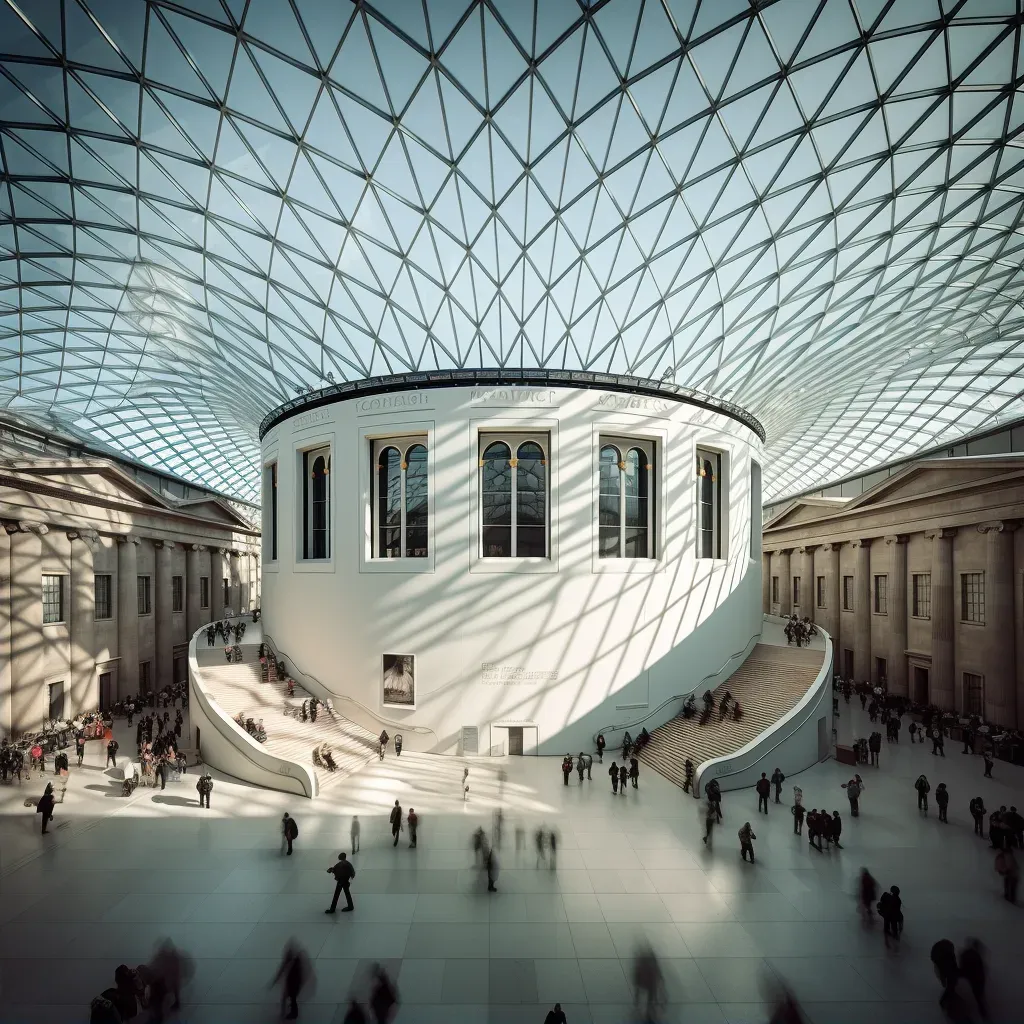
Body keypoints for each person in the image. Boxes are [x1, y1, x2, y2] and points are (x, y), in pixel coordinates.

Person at [271, 941, 310, 1021]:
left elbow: (282, 970)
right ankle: (289, 1012)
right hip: (293, 983)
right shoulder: (296, 960)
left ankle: (290, 1013)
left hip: (293, 984)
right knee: (290, 998)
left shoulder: (293, 961)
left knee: (290, 998)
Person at [958, 938, 988, 1021]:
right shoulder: (976, 955)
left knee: (977, 997)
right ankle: (984, 1016)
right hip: (977, 979)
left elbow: (962, 966)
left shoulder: (965, 953)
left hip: (970, 977)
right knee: (979, 998)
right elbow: (981, 968)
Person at [930, 938, 959, 1009]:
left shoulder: (939, 952)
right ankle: (945, 1000)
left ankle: (949, 995)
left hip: (944, 967)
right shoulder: (945, 957)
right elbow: (951, 964)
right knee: (951, 984)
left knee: (951, 983)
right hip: (946, 969)